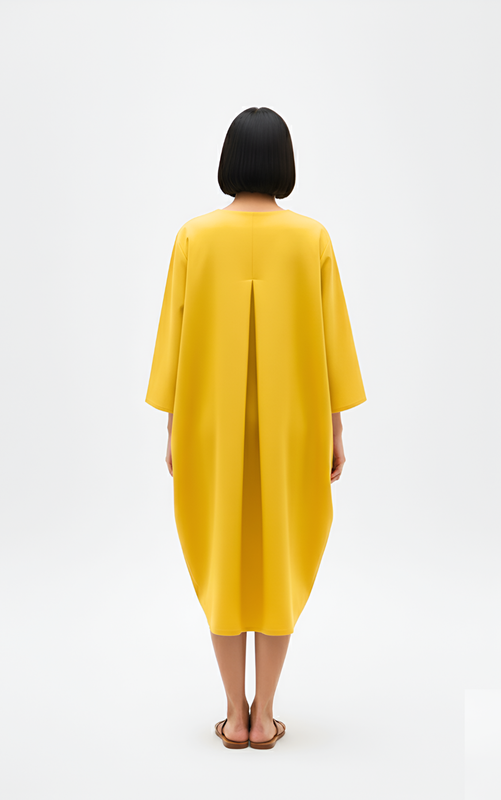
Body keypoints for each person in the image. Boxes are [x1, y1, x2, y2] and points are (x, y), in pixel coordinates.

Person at [145, 107, 367, 749]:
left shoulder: (193, 236)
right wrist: (335, 429)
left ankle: (233, 714)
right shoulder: (311, 238)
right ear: (283, 163)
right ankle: (265, 716)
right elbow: (332, 342)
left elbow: (172, 340)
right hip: (294, 423)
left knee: (221, 554)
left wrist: (172, 428)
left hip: (209, 425)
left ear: (230, 160)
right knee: (280, 555)